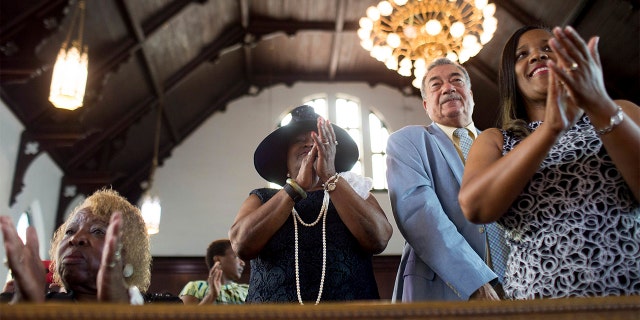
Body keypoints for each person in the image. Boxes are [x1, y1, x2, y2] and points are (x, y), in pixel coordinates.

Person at [459, 25, 640, 299]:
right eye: (522, 55)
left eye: (548, 49)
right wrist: (550, 129)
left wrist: (599, 104)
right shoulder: (496, 140)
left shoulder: (619, 112)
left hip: (626, 296)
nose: (537, 57)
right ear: (511, 76)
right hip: (539, 304)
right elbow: (475, 207)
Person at [229, 105, 393, 304]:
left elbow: (379, 238)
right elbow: (241, 244)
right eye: (299, 142)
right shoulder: (262, 198)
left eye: (318, 140)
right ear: (285, 165)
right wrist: (296, 187)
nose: (310, 144)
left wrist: (330, 177)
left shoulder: (355, 192)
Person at [386, 58, 505, 302]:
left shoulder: (503, 142)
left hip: (518, 285)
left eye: (456, 81)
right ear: (426, 104)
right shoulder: (409, 141)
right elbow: (420, 215)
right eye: (436, 84)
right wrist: (475, 281)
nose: (448, 88)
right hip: (444, 290)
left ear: (470, 94)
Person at [0, 188, 152, 304]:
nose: (76, 238)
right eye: (70, 231)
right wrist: (23, 311)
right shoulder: (17, 303)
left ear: (128, 254)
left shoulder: (165, 310)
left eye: (98, 231)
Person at [179, 239, 248, 304]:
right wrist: (212, 295)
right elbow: (187, 316)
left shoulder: (248, 289)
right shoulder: (195, 287)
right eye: (236, 256)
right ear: (218, 260)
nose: (243, 263)